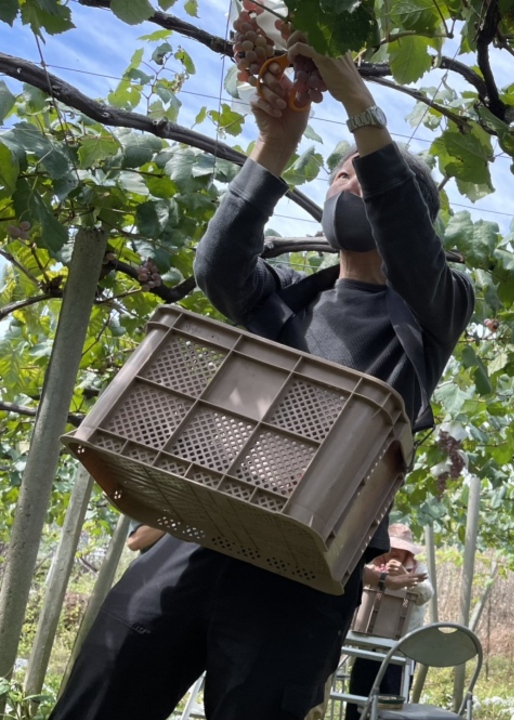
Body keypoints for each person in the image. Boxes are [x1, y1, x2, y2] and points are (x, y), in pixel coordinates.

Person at [50, 32, 473, 720]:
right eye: (337, 176)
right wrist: (280, 139)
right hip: (209, 526)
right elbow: (217, 267)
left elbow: (408, 233)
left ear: (410, 217)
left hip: (309, 563)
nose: (347, 183)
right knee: (107, 680)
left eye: (363, 177)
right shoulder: (286, 296)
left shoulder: (432, 313)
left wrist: (358, 103)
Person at [345, 523, 434, 720]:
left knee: (392, 704)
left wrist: (405, 576)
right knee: (359, 700)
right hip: (368, 648)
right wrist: (380, 576)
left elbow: (427, 593)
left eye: (400, 550)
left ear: (407, 553)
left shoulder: (417, 569)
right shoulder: (372, 566)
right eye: (391, 548)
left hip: (400, 650)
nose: (394, 553)